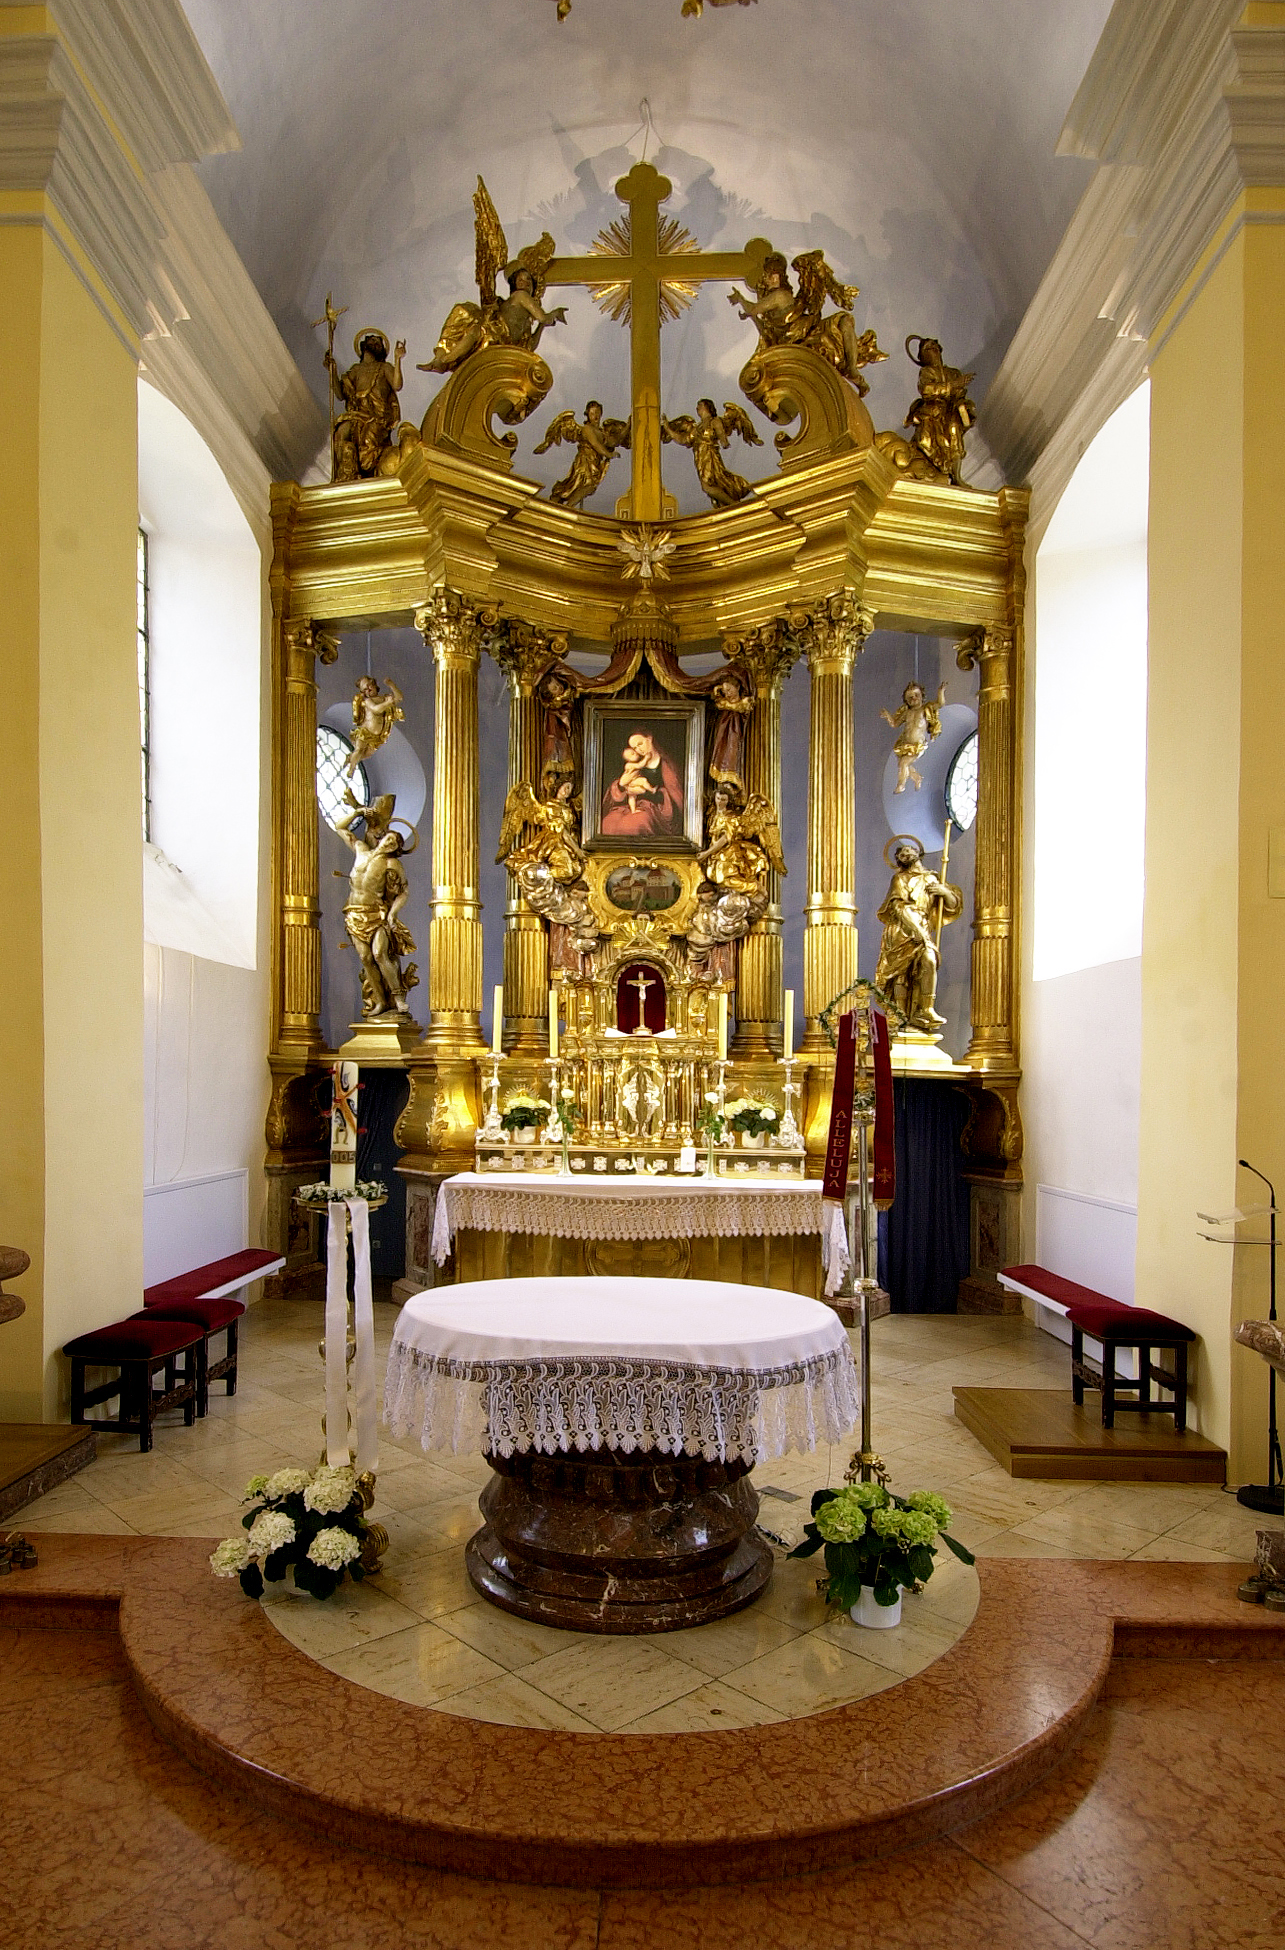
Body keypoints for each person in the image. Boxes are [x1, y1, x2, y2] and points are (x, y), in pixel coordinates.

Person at [335, 792, 418, 1017]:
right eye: (389, 839)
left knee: (380, 954)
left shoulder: (392, 864)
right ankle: (380, 1002)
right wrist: (357, 812)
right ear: (382, 838)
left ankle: (398, 997)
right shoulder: (361, 850)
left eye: (394, 843)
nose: (390, 843)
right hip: (354, 913)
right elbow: (340, 828)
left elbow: (404, 892)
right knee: (365, 958)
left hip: (376, 914)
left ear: (396, 848)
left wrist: (392, 914)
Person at [873, 839, 962, 1030]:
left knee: (929, 960)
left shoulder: (931, 878)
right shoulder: (899, 879)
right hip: (902, 928)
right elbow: (898, 907)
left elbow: (953, 906)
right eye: (901, 855)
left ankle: (926, 1009)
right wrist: (917, 931)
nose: (905, 855)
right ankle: (899, 1014)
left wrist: (945, 892)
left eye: (908, 851)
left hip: (922, 924)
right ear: (898, 860)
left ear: (917, 854)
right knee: (900, 973)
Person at [600, 729, 683, 838]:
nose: (639, 750)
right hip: (632, 804)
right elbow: (622, 787)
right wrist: (621, 785)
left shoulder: (666, 765)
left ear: (649, 738)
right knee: (608, 822)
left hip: (656, 808)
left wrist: (646, 792)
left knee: (634, 825)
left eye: (640, 744)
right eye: (635, 748)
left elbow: (675, 796)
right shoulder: (635, 763)